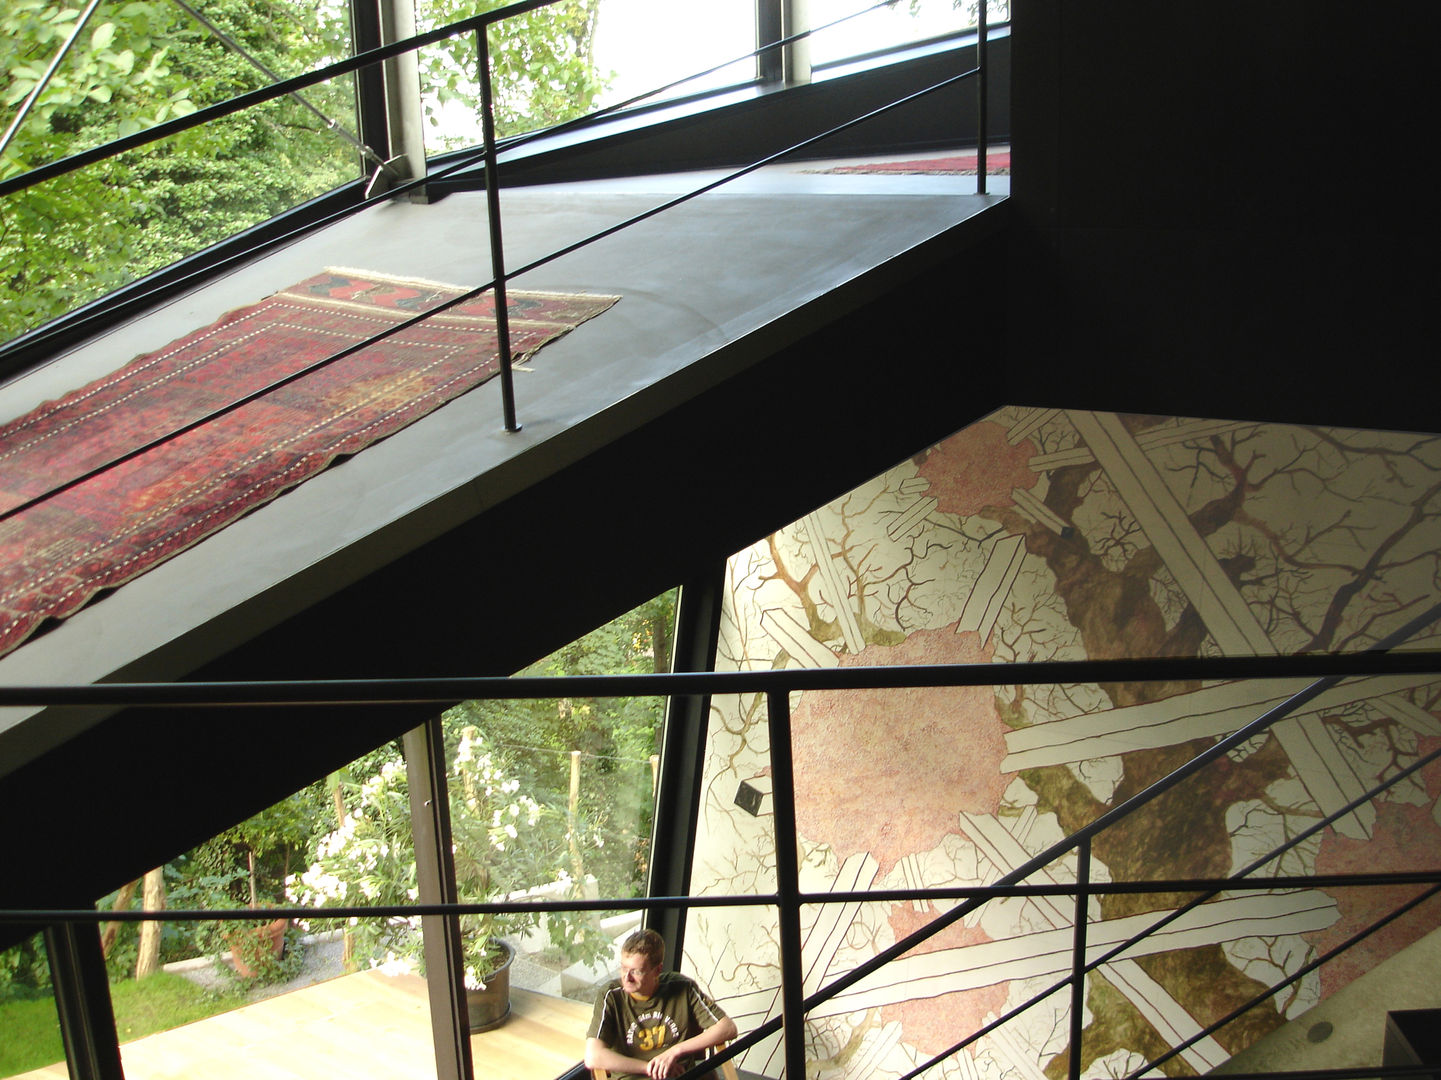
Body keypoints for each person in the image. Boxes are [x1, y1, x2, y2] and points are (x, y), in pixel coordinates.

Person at [585, 928, 738, 1078]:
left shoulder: (682, 988)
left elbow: (728, 1028)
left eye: (636, 971)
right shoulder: (611, 995)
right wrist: (650, 1068)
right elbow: (593, 1056)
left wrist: (675, 1051)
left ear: (657, 970)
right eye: (624, 968)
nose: (627, 977)